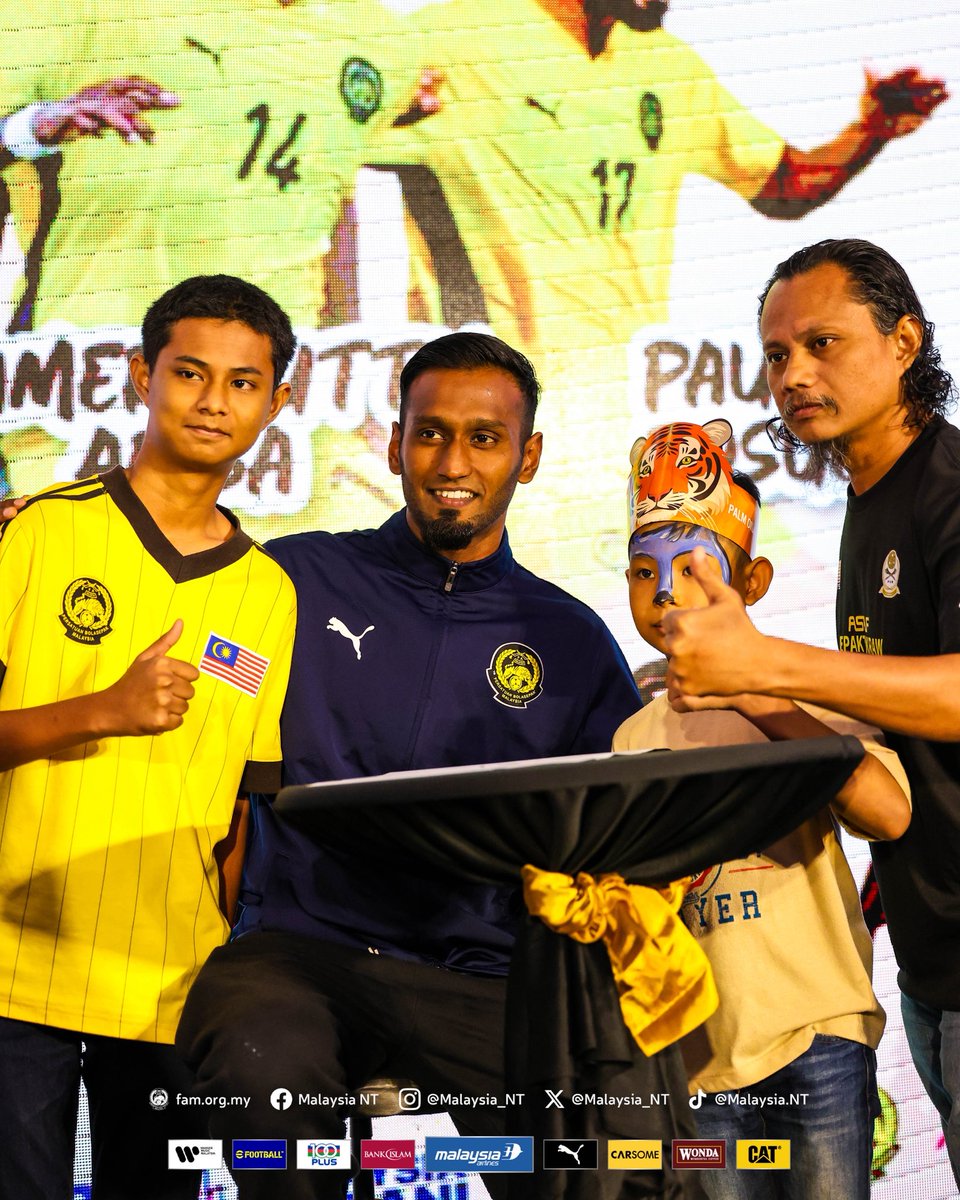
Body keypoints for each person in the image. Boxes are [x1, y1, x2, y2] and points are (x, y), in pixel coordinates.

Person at [174, 331, 642, 1199]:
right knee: (258, 1062)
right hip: (303, 953)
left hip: (483, 974)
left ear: (527, 456)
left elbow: (624, 825)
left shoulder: (571, 643)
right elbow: (202, 696)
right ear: (394, 444)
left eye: (485, 437)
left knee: (621, 1140)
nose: (451, 460)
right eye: (429, 433)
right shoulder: (296, 581)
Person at [660, 238, 960, 1186]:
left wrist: (765, 660)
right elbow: (887, 760)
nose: (793, 376)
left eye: (822, 345)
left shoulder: (949, 491)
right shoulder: (870, 503)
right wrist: (760, 698)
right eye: (778, 356)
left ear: (904, 340)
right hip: (931, 957)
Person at [0, 275, 298, 1200]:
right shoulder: (44, 532)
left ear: (277, 402)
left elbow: (243, 803)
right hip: (15, 972)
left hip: (169, 985)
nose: (214, 401)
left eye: (244, 383)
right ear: (140, 375)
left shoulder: (268, 595)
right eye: (191, 373)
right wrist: (101, 710)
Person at [613, 417, 911, 1198]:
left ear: (752, 583)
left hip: (818, 1036)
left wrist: (760, 696)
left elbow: (886, 811)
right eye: (643, 572)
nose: (667, 589)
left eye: (692, 565)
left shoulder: (817, 696)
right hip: (697, 1060)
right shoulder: (631, 737)